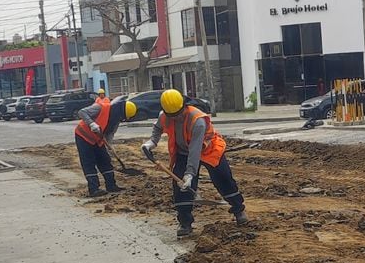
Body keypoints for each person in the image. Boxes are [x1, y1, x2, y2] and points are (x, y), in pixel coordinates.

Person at [142, 89, 247, 236]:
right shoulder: (165, 115)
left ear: (183, 106)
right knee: (181, 187)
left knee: (223, 178)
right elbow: (158, 127)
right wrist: (152, 142)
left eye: (178, 114)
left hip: (208, 148)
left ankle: (238, 210)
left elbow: (195, 150)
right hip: (183, 151)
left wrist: (190, 174)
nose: (175, 118)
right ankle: (185, 223)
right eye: (171, 116)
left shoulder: (197, 120)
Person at [74, 93, 137, 197]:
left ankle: (111, 185)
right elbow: (82, 112)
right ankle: (94, 189)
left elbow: (110, 134)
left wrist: (109, 146)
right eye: (122, 116)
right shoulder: (100, 107)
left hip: (98, 140)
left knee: (105, 160)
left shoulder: (115, 120)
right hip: (83, 136)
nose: (121, 119)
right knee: (89, 162)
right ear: (119, 111)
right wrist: (92, 123)